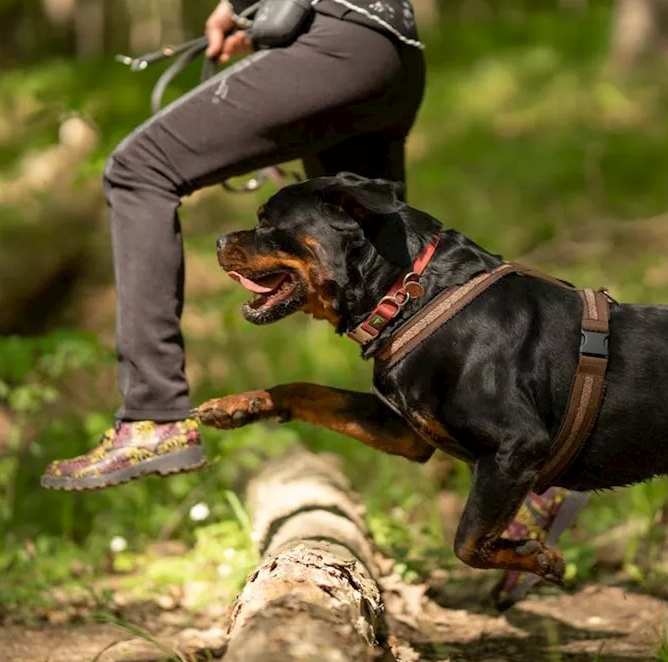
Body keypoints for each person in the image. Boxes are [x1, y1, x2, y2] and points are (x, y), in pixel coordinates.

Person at [39, 0, 584, 610]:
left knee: (138, 169)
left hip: (340, 39)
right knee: (388, 277)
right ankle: (532, 473)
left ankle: (152, 413)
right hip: (392, 51)